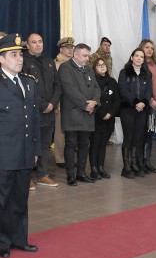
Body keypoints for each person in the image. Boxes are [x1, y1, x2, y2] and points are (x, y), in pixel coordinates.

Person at [0, 34, 40, 258]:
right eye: (13, 55)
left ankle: (20, 239)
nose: (19, 59)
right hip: (2, 154)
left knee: (20, 199)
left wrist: (34, 151)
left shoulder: (29, 82)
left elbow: (33, 120)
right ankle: (2, 242)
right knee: (1, 200)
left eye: (20, 54)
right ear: (1, 59)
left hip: (23, 152)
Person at [58, 43, 100, 185]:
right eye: (84, 56)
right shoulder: (65, 68)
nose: (87, 59)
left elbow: (96, 87)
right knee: (70, 143)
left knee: (84, 143)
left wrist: (94, 101)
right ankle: (71, 175)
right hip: (73, 113)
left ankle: (81, 173)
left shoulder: (88, 69)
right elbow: (69, 90)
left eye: (88, 55)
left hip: (88, 113)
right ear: (75, 54)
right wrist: (85, 104)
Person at [23, 33, 60, 189]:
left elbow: (58, 85)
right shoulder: (23, 61)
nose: (38, 45)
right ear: (27, 45)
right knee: (29, 145)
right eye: (34, 42)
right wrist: (43, 104)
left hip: (49, 111)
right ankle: (27, 177)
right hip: (33, 111)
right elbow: (25, 87)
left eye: (40, 41)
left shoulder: (49, 61)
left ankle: (42, 174)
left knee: (45, 144)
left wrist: (52, 103)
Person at [118, 49, 152, 179]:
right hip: (128, 109)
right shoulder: (124, 72)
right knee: (129, 137)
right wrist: (136, 102)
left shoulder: (146, 74)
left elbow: (149, 91)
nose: (139, 58)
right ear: (132, 57)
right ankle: (126, 167)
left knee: (138, 138)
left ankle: (134, 164)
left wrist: (143, 102)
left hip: (142, 110)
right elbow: (123, 89)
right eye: (136, 56)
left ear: (144, 60)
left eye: (141, 57)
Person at [89, 57, 119, 179]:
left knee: (103, 144)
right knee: (95, 144)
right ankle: (93, 169)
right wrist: (102, 113)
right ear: (94, 68)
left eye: (103, 65)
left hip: (109, 118)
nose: (102, 67)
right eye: (99, 65)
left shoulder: (112, 81)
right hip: (96, 117)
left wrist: (110, 113)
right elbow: (93, 99)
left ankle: (101, 167)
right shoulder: (92, 81)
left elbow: (117, 99)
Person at [140, 39, 156, 174]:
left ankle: (147, 161)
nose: (150, 49)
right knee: (142, 134)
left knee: (149, 134)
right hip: (145, 104)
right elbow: (143, 86)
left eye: (152, 47)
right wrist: (150, 100)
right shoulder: (140, 64)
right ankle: (140, 162)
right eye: (147, 47)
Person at [53, 36, 74, 169]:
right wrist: (56, 104)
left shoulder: (73, 63)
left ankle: (69, 157)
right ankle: (60, 158)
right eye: (67, 48)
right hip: (61, 102)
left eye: (72, 47)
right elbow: (55, 86)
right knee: (60, 132)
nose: (70, 50)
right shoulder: (56, 63)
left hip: (73, 102)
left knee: (70, 131)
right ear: (61, 49)